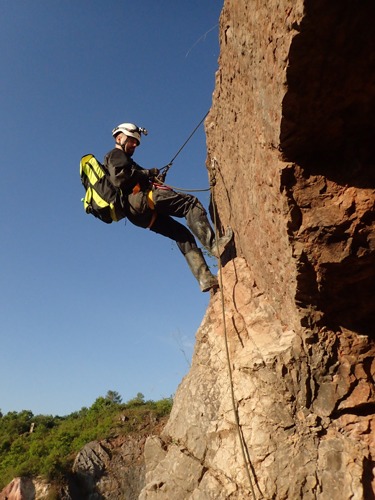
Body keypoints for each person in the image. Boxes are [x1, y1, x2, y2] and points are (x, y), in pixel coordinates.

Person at [104, 122, 233, 292]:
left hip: (138, 215)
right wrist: (148, 173)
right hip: (141, 200)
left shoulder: (126, 161)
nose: (135, 144)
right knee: (190, 205)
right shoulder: (115, 155)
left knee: (181, 234)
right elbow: (120, 178)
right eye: (131, 140)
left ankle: (205, 278)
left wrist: (153, 178)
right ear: (119, 137)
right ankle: (215, 245)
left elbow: (132, 177)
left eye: (136, 142)